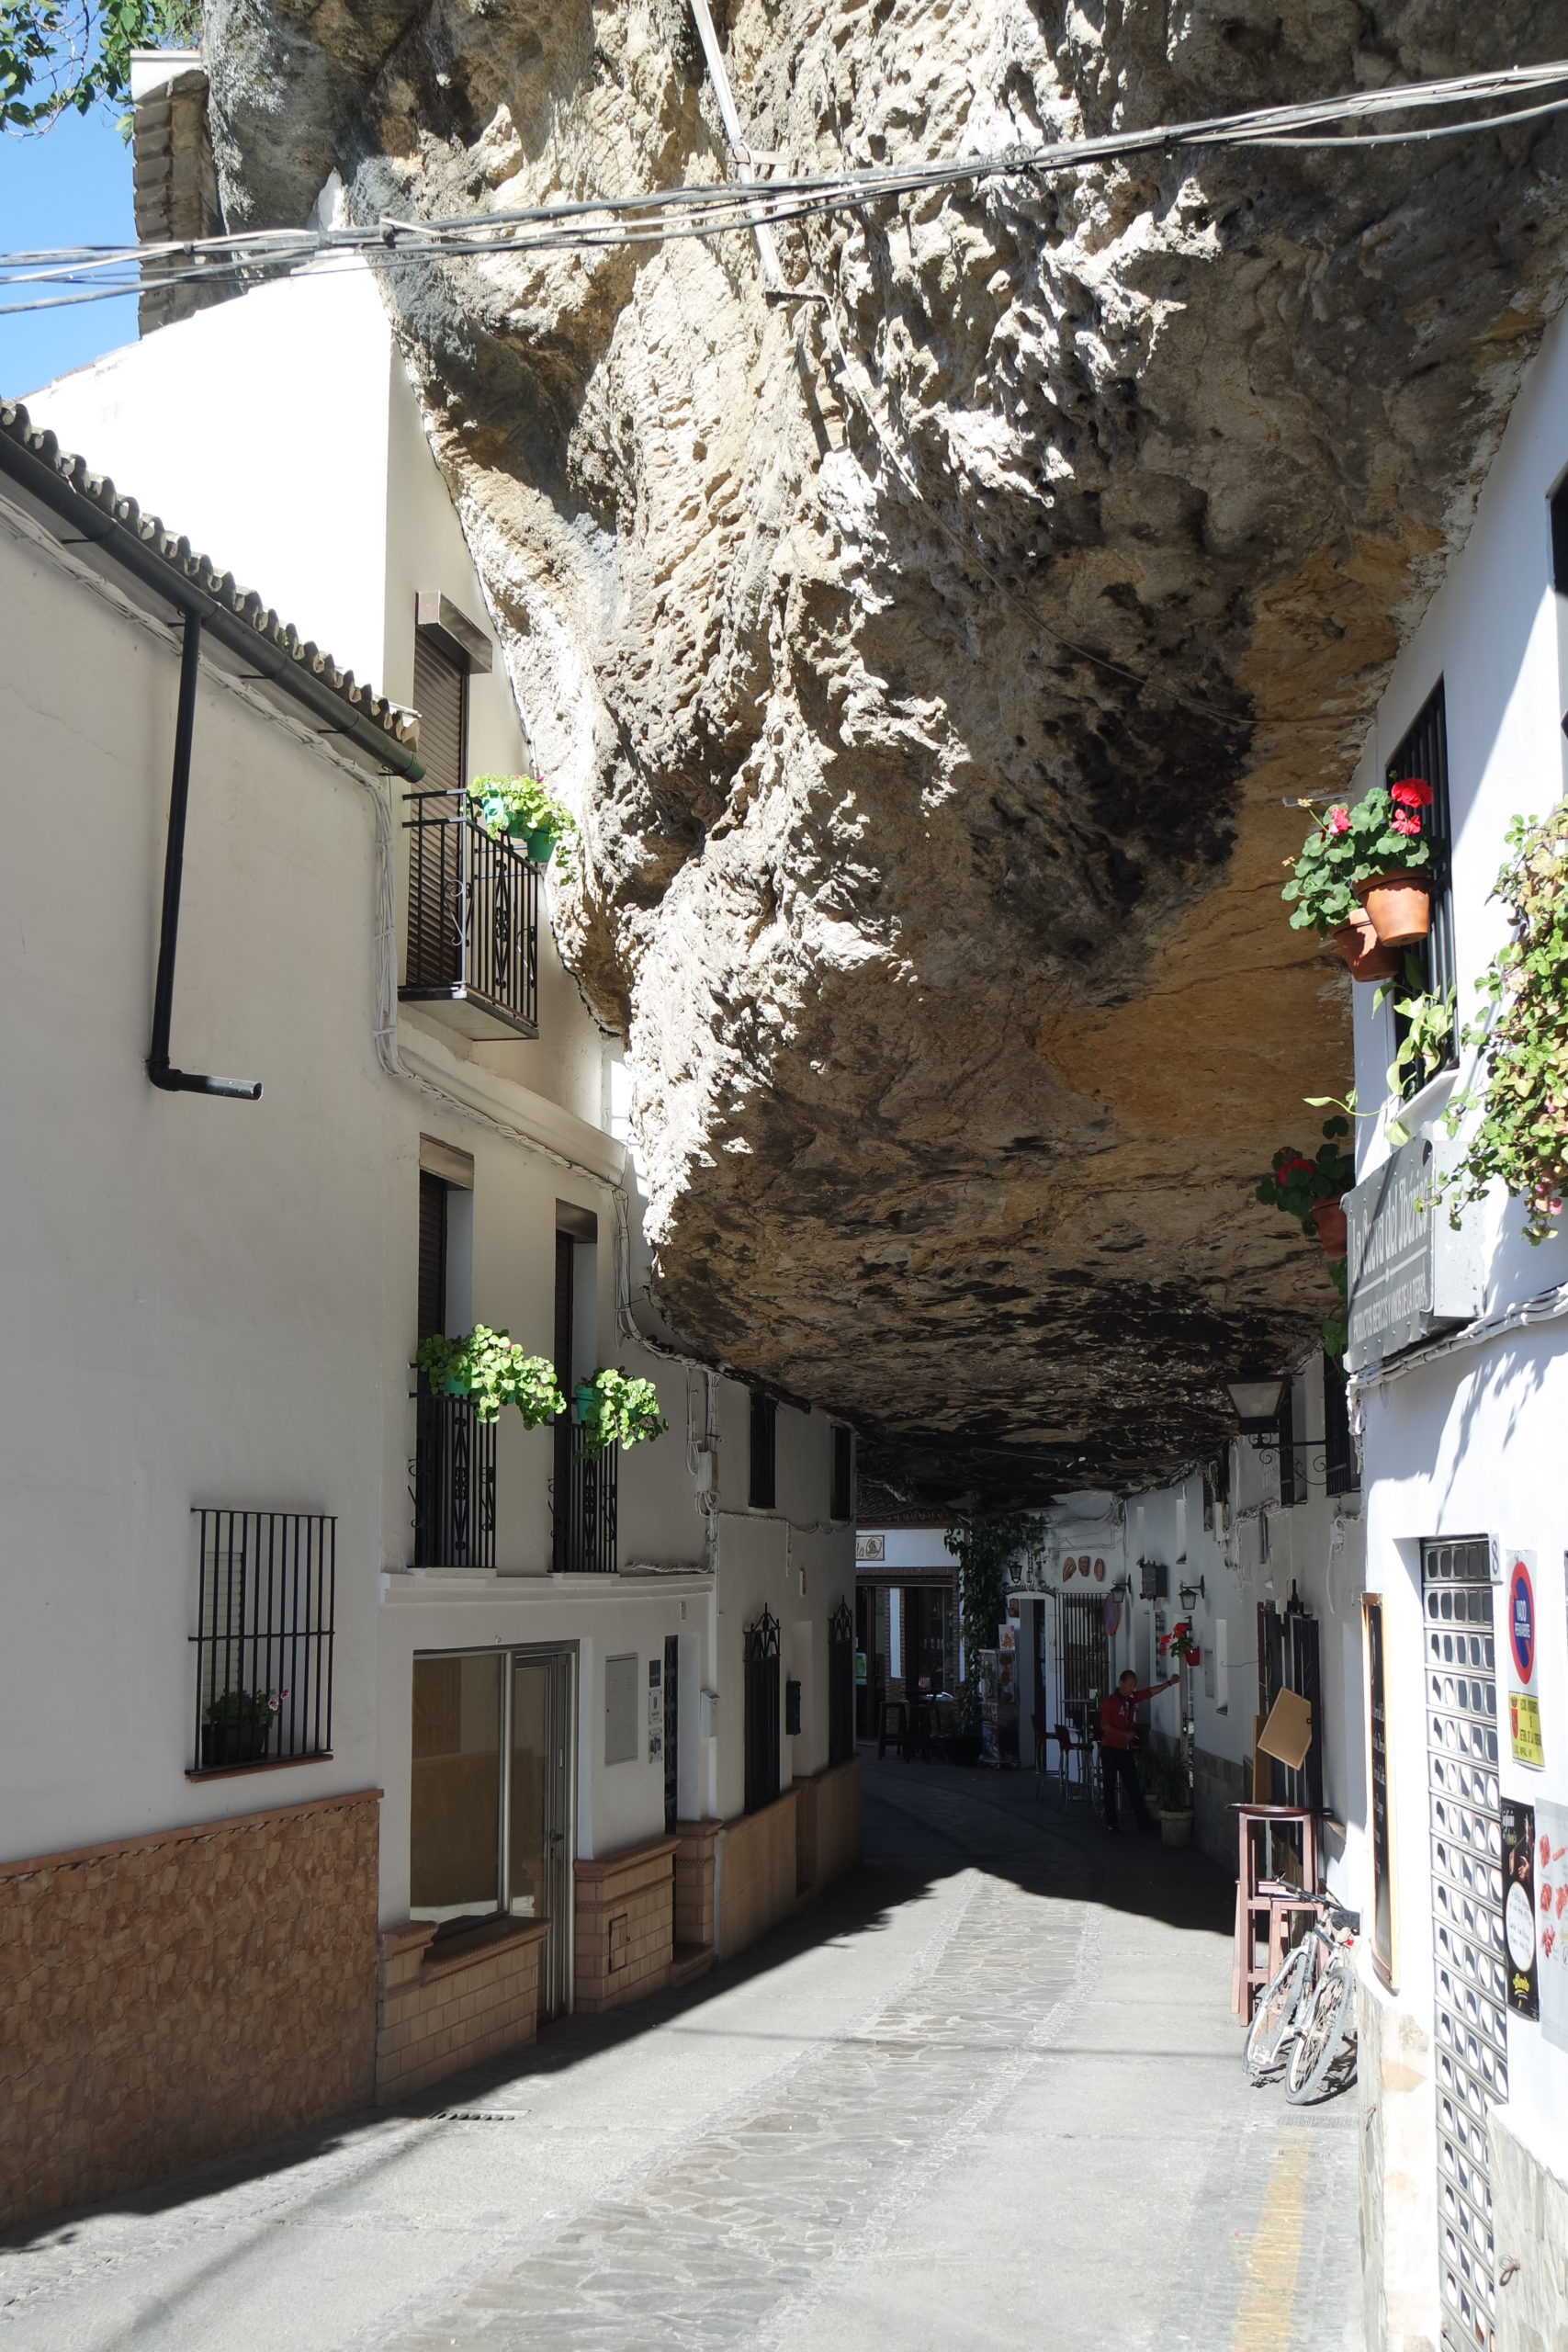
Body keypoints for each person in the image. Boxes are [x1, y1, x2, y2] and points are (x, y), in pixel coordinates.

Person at [1099, 1668, 1179, 1833]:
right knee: (1109, 1786)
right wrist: (1125, 1733)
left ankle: (1143, 1823)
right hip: (1110, 1749)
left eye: (1134, 1685)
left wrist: (1169, 1683)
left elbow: (1149, 1693)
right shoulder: (1110, 1702)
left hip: (1125, 1750)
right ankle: (1111, 1823)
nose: (1132, 1689)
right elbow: (1105, 1726)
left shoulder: (1131, 1699)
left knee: (1133, 1786)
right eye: (1129, 1685)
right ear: (1121, 1683)